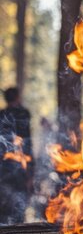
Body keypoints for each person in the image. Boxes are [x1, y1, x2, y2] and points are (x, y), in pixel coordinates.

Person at [0, 87, 33, 223]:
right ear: (17, 97)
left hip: (4, 166)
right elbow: (27, 145)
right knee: (19, 203)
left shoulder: (2, 114)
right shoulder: (23, 114)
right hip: (19, 166)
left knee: (5, 203)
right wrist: (30, 171)